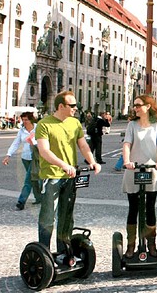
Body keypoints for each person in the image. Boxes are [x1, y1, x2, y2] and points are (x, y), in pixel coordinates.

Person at [35, 91, 101, 251]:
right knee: (48, 217)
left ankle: (64, 251)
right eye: (72, 105)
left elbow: (83, 145)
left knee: (66, 217)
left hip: (70, 176)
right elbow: (44, 151)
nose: (76, 108)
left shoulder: (75, 123)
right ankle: (45, 253)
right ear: (60, 106)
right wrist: (63, 165)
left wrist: (92, 161)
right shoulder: (44, 124)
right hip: (51, 177)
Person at [122, 95, 157, 258]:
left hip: (151, 168)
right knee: (133, 208)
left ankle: (151, 243)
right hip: (133, 169)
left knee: (150, 207)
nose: (136, 108)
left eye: (138, 105)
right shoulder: (132, 125)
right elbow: (127, 144)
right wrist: (127, 161)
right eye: (134, 106)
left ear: (148, 106)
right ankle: (131, 244)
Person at [2, 112, 41, 210]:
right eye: (23, 120)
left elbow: (44, 141)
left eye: (26, 119)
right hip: (25, 157)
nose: (24, 122)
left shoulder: (38, 128)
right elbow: (16, 143)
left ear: (31, 120)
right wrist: (8, 154)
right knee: (34, 178)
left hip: (36, 158)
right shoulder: (22, 131)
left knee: (28, 180)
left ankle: (21, 201)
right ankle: (39, 197)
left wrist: (34, 142)